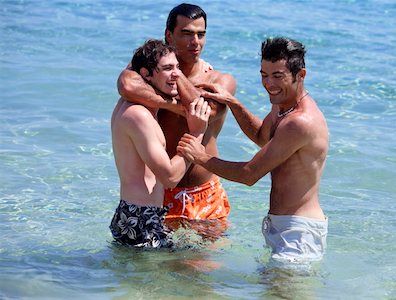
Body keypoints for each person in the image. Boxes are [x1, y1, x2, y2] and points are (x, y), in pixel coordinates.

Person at [177, 37, 329, 261]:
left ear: (301, 75)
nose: (269, 84)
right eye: (264, 75)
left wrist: (200, 157)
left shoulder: (300, 121)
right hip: (282, 225)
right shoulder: (282, 105)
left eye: (278, 76)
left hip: (299, 232)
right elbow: (262, 137)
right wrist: (233, 103)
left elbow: (248, 174)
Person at [117, 4, 236, 235]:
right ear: (169, 35)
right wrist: (174, 104)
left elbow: (206, 112)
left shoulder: (220, 79)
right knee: (156, 269)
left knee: (201, 269)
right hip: (160, 193)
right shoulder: (156, 75)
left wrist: (178, 75)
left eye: (201, 34)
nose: (196, 42)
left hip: (202, 193)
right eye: (187, 33)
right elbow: (126, 84)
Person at [109, 39, 211, 248]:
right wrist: (197, 133)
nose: (177, 75)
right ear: (146, 74)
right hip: (140, 218)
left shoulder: (135, 108)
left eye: (177, 67)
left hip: (139, 214)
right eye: (167, 69)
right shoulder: (138, 116)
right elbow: (171, 177)